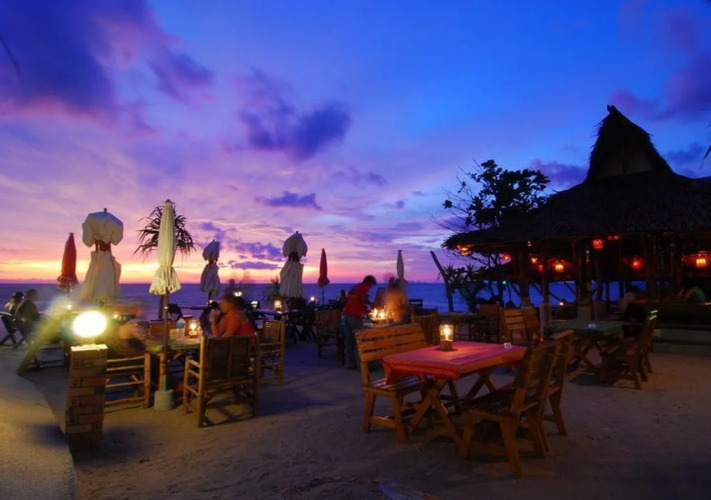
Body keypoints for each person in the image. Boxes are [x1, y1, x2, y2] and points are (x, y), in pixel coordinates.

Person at [342, 275, 377, 369]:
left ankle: (351, 363)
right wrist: (371, 304)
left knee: (349, 341)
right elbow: (363, 299)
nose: (370, 288)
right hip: (354, 316)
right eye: (371, 285)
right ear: (369, 282)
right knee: (360, 340)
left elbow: (351, 300)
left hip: (347, 314)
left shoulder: (355, 287)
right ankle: (363, 365)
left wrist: (364, 309)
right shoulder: (364, 287)